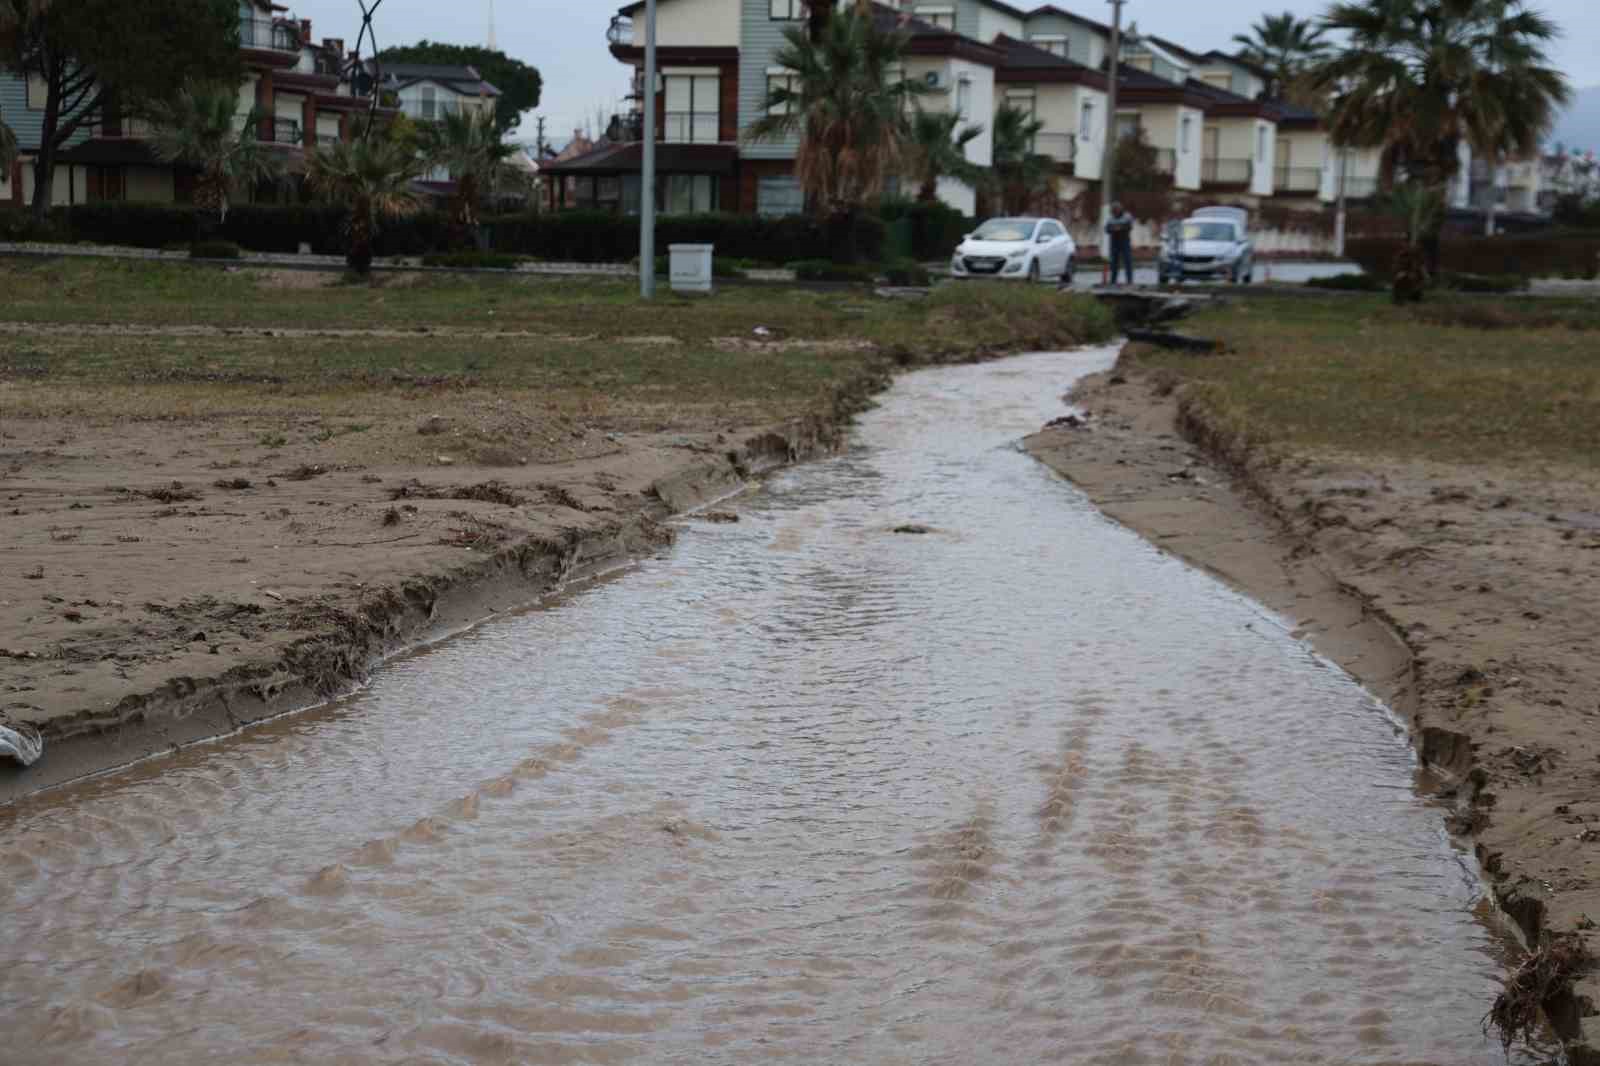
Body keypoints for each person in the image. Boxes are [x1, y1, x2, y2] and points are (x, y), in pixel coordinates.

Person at [1105, 202, 1136, 286]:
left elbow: (1129, 226)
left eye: (1116, 211)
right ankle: (1113, 281)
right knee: (1114, 263)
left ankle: (1129, 281)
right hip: (1114, 243)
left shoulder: (1127, 216)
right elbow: (1107, 229)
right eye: (1114, 211)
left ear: (1120, 210)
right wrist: (1117, 228)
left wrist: (1118, 228)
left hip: (1124, 242)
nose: (1115, 213)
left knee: (1127, 262)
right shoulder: (1110, 218)